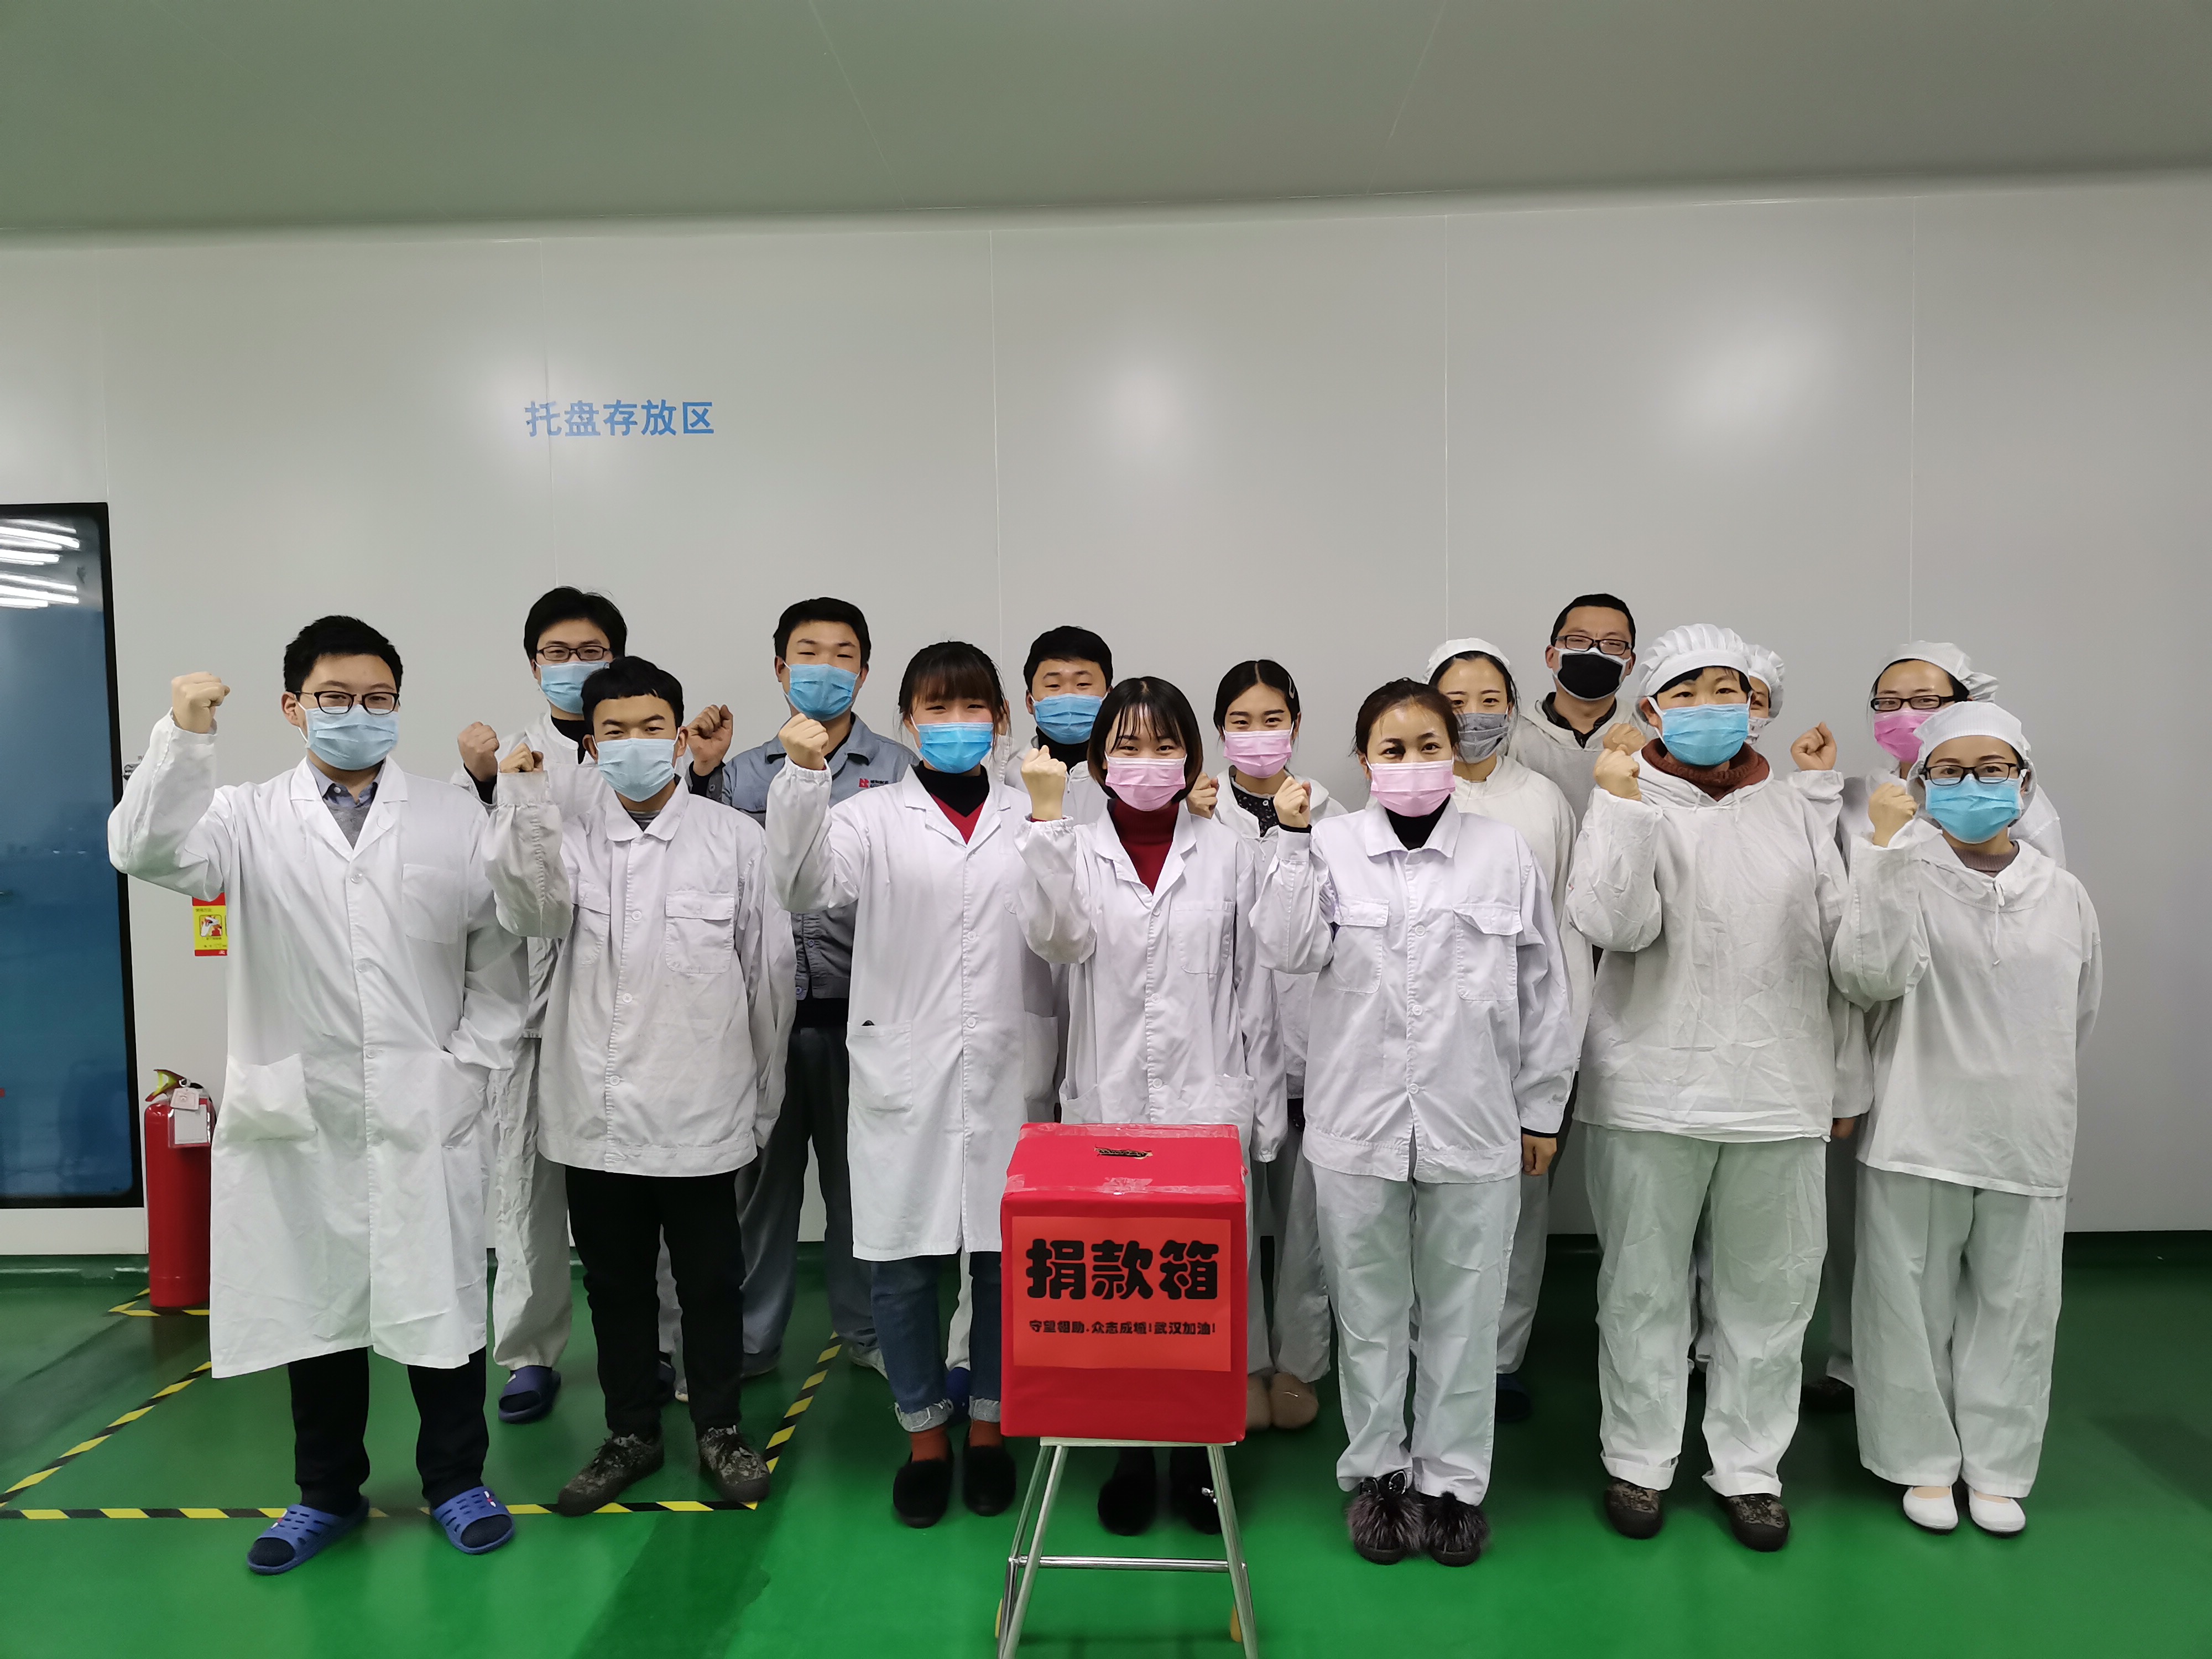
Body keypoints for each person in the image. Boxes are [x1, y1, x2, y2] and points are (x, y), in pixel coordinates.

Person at [108, 617, 526, 1573]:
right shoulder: (242, 817)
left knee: (442, 1303)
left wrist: (469, 1065)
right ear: (294, 708)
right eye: (335, 698)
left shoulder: (451, 816)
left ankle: (457, 1481)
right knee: (317, 1306)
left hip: (426, 1102)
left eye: (378, 698)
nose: (357, 714)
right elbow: (142, 850)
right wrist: (183, 739)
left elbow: (499, 955)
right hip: (304, 1109)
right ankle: (326, 1494)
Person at [1255, 680, 1577, 1568]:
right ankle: (1379, 1477)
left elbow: (1545, 988)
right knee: (1366, 1312)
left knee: (1465, 1315)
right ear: (1364, 760)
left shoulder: (1502, 853)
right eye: (1392, 750)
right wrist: (1289, 840)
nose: (1411, 763)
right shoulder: (1326, 846)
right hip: (1357, 1124)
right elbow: (1286, 949)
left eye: (1428, 745)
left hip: (1474, 1120)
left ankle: (1453, 1484)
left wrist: (1542, 1107)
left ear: (1453, 752)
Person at [1565, 623, 1856, 1553]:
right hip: (1650, 1085)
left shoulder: (1802, 807)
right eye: (1684, 693)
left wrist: (1842, 1084)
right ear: (1652, 709)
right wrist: (1619, 807)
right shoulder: (1626, 795)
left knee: (1770, 1292)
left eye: (1725, 690)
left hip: (1778, 1086)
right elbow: (1615, 924)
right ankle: (1638, 1459)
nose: (1706, 708)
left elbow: (1844, 953)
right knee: (1641, 1289)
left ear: (1755, 703)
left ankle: (1751, 1469)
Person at [486, 657, 795, 1513]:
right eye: (613, 732)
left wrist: (762, 1101)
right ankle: (630, 1433)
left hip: (702, 1108)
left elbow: (770, 979)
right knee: (616, 1287)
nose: (634, 744)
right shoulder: (566, 841)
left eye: (651, 727)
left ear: (679, 735)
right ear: (590, 746)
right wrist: (523, 804)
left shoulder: (734, 841)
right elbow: (528, 914)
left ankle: (720, 1429)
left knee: (710, 1284)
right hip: (595, 1112)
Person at [765, 640, 1056, 1527]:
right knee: (899, 1265)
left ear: (1000, 721)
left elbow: (1063, 929)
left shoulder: (1033, 814)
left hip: (1007, 1066)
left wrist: (1052, 826)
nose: (955, 723)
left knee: (1002, 1262)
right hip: (904, 1066)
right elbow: (801, 886)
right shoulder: (869, 816)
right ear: (909, 721)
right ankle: (926, 1435)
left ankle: (991, 1430)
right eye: (936, 707)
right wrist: (802, 780)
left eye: (973, 708)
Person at [1015, 675, 1285, 1537]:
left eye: (1164, 745)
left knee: (1201, 1289)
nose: (1146, 762)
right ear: (1098, 762)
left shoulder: (1231, 853)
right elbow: (1057, 940)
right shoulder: (1073, 847)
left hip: (1209, 1100)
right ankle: (1130, 1451)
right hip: (1111, 1102)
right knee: (1124, 1285)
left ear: (1191, 757)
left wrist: (1262, 1105)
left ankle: (1200, 1456)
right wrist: (1047, 826)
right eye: (1127, 746)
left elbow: (1257, 991)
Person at [1830, 703, 2100, 1537]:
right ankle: (1920, 1460)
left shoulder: (2063, 894)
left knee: (2018, 1308)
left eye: (1991, 770)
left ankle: (1998, 1466)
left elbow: (2079, 1011)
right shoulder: (1900, 872)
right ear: (1919, 784)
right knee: (1905, 1305)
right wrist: (1881, 856)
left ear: (2024, 782)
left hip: (2028, 1128)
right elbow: (1865, 978)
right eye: (1948, 772)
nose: (1971, 786)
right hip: (1919, 1121)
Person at [1800, 641, 2059, 1415]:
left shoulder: (2022, 803)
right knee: (1862, 1220)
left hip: (1966, 1038)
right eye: (1887, 702)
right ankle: (1858, 1363)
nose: (1904, 716)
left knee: (1969, 1249)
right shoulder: (1857, 796)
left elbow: (2044, 941)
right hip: (1864, 1022)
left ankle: (1950, 1389)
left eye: (1925, 700)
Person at [682, 597, 914, 1381]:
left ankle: (870, 1332)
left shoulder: (898, 770)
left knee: (863, 1189)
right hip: (768, 1020)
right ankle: (751, 1340)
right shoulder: (743, 770)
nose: (825, 669)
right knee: (763, 1193)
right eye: (808, 654)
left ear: (864, 672)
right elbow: (702, 859)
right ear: (781, 669)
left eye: (843, 655)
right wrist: (703, 773)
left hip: (865, 1019)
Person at [452, 585, 626, 1426]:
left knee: (644, 1188)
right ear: (533, 665)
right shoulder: (509, 759)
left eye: (591, 652)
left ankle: (659, 1341)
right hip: (528, 1015)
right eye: (557, 653)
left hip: (624, 1011)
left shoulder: (640, 748)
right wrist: (487, 785)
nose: (574, 667)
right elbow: (473, 875)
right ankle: (528, 1353)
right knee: (524, 1192)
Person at [1426, 638, 1593, 1425]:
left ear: (1514, 708)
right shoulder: (1405, 795)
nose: (1472, 716)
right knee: (1428, 1211)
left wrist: (1555, 1063)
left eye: (1489, 700)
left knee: (1517, 1213)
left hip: (1517, 1043)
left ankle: (1498, 1361)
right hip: (1427, 1042)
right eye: (1454, 701)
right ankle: (1426, 1355)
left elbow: (1564, 937)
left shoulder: (1543, 803)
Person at [1209, 660, 1343, 1432]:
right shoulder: (1198, 818)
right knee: (1230, 1222)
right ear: (1219, 730)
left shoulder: (1335, 817)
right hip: (1225, 1052)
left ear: (1295, 723)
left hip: (1314, 1051)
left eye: (1272, 719)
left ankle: (1299, 1363)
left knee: (1306, 1225)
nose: (1258, 735)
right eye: (1241, 721)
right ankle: (1242, 1363)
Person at [1508, 593, 1648, 822]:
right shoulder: (1511, 738)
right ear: (1551, 656)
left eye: (1613, 644)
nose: (1594, 652)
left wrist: (1645, 764)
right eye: (1578, 640)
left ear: (1630, 664)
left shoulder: (1650, 736)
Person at [1000, 624, 1114, 825]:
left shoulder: (1126, 771)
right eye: (1054, 685)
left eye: (1083, 684)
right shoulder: (1007, 773)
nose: (1068, 695)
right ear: (1030, 702)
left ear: (1110, 697)